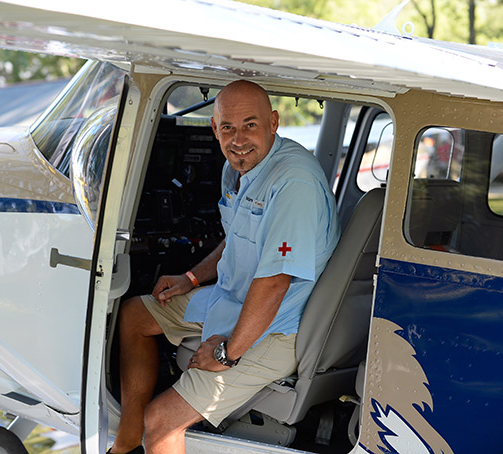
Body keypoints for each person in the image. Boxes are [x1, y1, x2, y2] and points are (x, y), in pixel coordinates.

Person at [109, 80, 340, 454]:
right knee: (135, 315)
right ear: (214, 128)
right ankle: (126, 441)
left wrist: (226, 354)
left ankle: (146, 434)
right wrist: (191, 277)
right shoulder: (237, 169)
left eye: (251, 125)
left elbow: (275, 282)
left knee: (163, 421)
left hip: (275, 324)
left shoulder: (293, 182)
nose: (238, 139)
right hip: (234, 298)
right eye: (228, 127)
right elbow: (237, 238)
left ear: (274, 122)